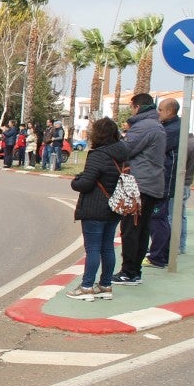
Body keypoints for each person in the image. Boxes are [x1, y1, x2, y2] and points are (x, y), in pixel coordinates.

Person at [66, 117, 127, 300]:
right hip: (115, 206)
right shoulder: (122, 152)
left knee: (92, 248)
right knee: (107, 247)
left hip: (95, 207)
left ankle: (86, 287)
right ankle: (105, 285)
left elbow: (86, 182)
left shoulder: (98, 154)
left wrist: (76, 181)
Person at [113, 93, 166, 285]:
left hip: (139, 185)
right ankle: (135, 271)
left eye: (131, 107)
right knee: (141, 229)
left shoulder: (143, 127)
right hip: (151, 183)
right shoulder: (156, 125)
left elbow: (125, 150)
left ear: (137, 107)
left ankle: (128, 271)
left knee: (131, 228)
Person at [147, 98, 181, 267]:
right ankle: (161, 253)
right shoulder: (170, 127)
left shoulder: (172, 130)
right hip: (164, 177)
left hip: (165, 179)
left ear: (169, 111)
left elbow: (156, 149)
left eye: (160, 109)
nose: (158, 113)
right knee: (160, 217)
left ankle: (158, 256)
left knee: (158, 217)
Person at [181, 132, 194, 252]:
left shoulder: (186, 144)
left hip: (182, 182)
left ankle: (177, 246)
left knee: (174, 217)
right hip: (187, 182)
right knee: (181, 216)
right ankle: (180, 245)